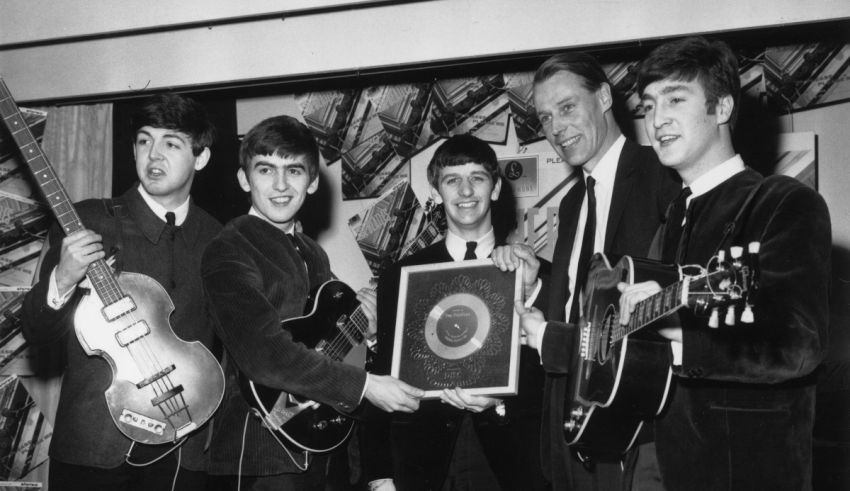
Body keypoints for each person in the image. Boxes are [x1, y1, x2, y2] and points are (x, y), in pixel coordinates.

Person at [617, 36, 831, 490]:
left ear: (722, 108)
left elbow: (797, 347)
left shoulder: (784, 202)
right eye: (650, 105)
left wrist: (678, 333)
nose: (657, 120)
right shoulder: (675, 215)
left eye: (676, 99)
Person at [201, 115, 424, 491]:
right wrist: (365, 385)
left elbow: (325, 342)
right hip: (262, 454)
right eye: (266, 169)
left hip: (323, 445)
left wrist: (363, 331)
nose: (281, 185)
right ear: (244, 179)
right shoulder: (230, 248)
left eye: (294, 170)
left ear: (314, 181)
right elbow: (264, 354)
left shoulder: (313, 252)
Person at [493, 52, 680, 490]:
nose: (556, 128)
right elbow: (578, 308)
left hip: (637, 429)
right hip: (574, 428)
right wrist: (537, 283)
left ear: (602, 96)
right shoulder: (575, 202)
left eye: (567, 107)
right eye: (544, 117)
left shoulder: (661, 175)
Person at [21, 93, 221, 490]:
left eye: (171, 143)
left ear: (201, 158)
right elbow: (37, 334)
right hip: (92, 451)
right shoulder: (86, 220)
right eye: (144, 141)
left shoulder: (219, 240)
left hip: (185, 452)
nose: (154, 155)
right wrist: (62, 279)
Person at [359, 133, 547, 491]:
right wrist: (379, 473)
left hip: (508, 461)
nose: (465, 191)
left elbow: (552, 377)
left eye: (477, 178)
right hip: (422, 461)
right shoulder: (401, 276)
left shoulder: (535, 272)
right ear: (437, 191)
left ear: (494, 189)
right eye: (452, 180)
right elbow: (382, 369)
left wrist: (500, 401)